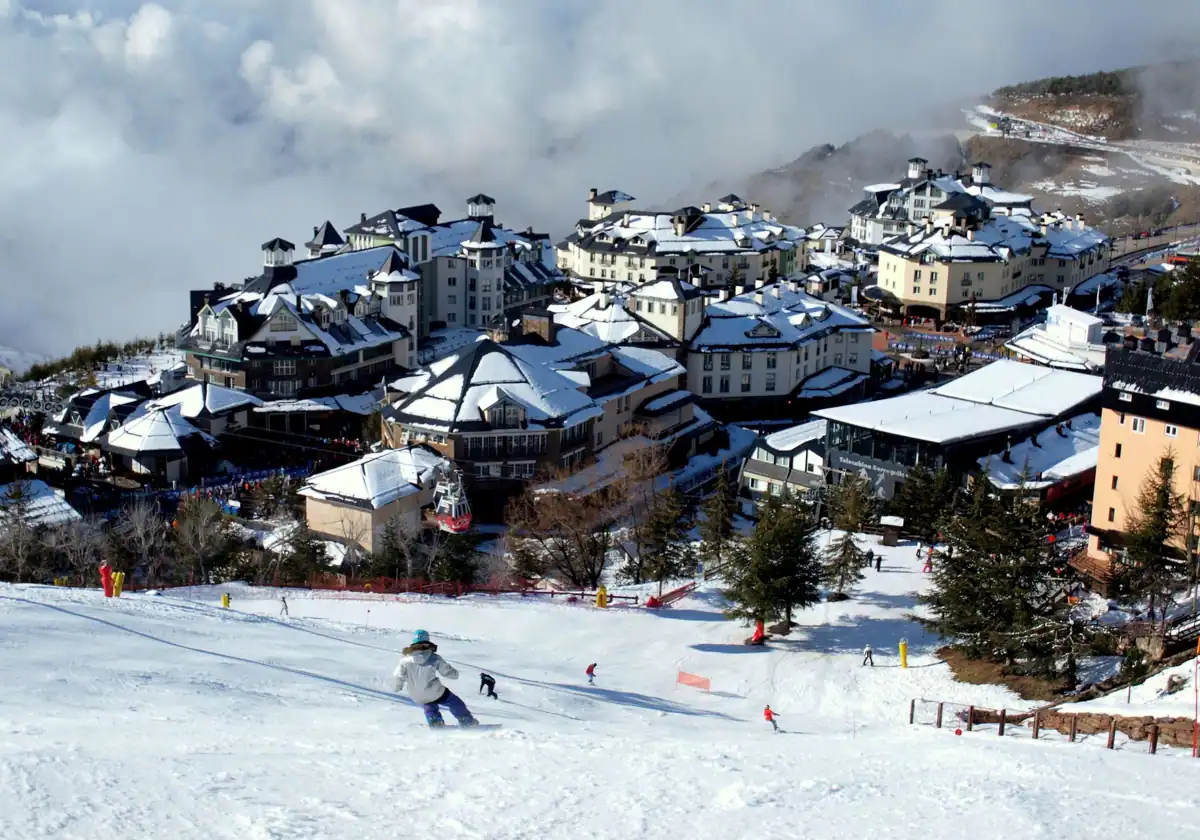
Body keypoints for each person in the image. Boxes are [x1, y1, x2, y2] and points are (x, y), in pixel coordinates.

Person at [392, 630, 477, 728]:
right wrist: (455, 674)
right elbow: (447, 672)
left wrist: (397, 687)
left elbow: (398, 676)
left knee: (429, 704)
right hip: (434, 691)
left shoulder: (404, 660)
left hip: (415, 694)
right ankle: (467, 721)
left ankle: (435, 723)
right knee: (454, 701)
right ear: (427, 641)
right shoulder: (434, 657)